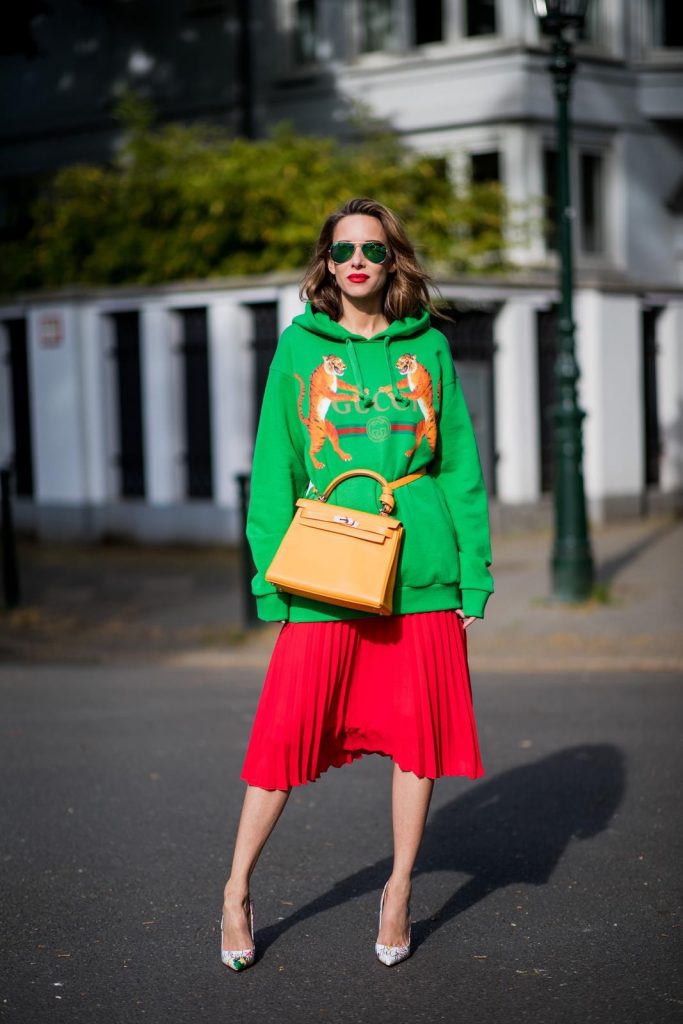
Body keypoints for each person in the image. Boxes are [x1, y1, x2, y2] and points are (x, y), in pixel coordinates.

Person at [220, 197, 494, 970]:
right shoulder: (300, 348)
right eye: (343, 252)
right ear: (326, 263)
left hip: (420, 566)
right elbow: (275, 470)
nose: (357, 264)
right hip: (325, 566)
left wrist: (473, 574)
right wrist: (269, 584)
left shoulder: (429, 349)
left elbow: (461, 470)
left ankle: (399, 889)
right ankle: (237, 887)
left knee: (419, 740)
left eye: (371, 250)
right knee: (284, 735)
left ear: (391, 258)